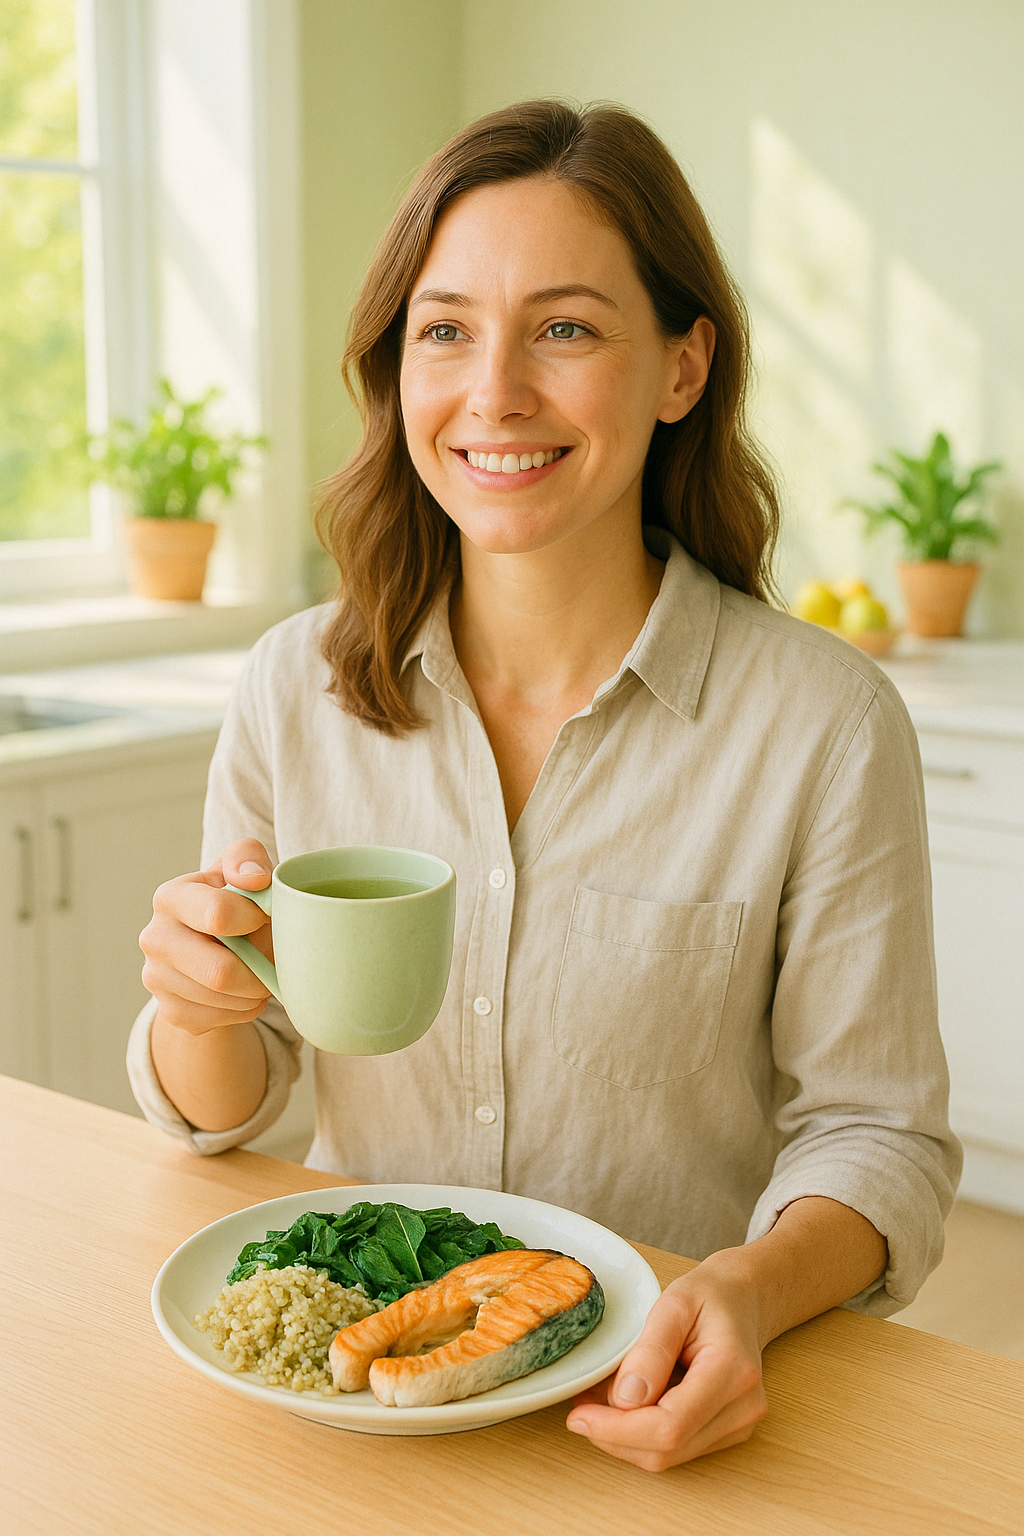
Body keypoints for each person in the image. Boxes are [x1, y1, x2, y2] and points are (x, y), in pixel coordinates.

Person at [130, 100, 960, 1472]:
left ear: (683, 367)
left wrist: (744, 1290)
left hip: (651, 1400)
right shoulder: (297, 687)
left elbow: (877, 1139)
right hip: (349, 1402)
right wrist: (195, 1005)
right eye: (445, 329)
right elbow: (235, 1104)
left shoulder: (824, 722)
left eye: (566, 328)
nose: (494, 391)